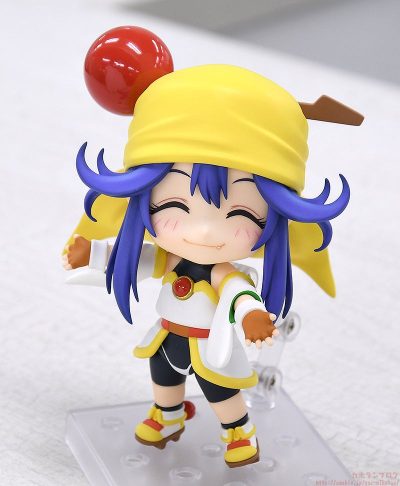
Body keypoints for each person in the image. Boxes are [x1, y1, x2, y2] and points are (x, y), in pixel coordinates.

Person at [63, 64, 356, 468]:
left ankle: (239, 431)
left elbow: (238, 293)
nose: (202, 231)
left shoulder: (222, 272)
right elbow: (142, 260)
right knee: (162, 375)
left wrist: (253, 316)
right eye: (174, 205)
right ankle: (169, 415)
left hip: (210, 345)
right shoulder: (171, 259)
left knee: (219, 390)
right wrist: (94, 254)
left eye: (239, 214)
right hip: (168, 335)